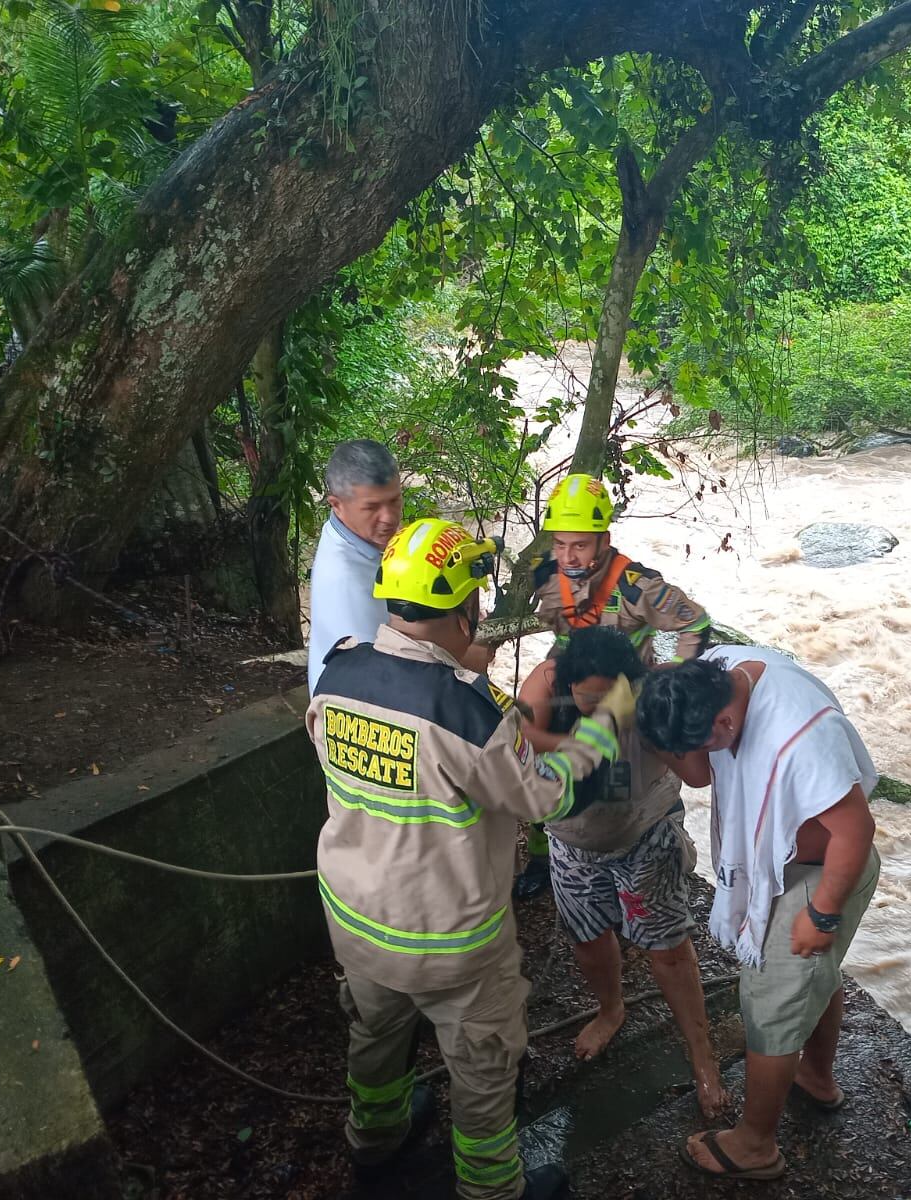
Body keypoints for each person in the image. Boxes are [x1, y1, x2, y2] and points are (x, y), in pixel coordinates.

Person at [307, 517, 637, 1200]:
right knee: (483, 1070)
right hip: (449, 943)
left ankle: (375, 1141)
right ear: (465, 606)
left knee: (374, 1036)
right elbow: (544, 797)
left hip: (357, 923)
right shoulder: (467, 713)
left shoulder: (334, 674)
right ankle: (491, 1188)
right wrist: (606, 724)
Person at [636, 646, 881, 1182]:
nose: (695, 757)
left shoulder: (798, 732)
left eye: (701, 742)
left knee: (770, 1002)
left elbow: (857, 830)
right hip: (785, 860)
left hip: (824, 870)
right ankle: (815, 1077)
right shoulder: (717, 673)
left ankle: (754, 1146)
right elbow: (701, 771)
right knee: (813, 979)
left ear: (724, 722)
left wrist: (821, 913)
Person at [516, 625, 725, 1117]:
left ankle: (703, 1057)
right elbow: (519, 733)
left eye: (608, 695)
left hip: (644, 837)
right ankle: (612, 1010)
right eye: (584, 696)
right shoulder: (546, 684)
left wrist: (676, 720)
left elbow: (698, 774)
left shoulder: (649, 700)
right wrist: (584, 743)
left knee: (668, 950)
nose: (595, 706)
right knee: (589, 941)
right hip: (572, 843)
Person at [515, 472, 712, 899]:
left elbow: (693, 624)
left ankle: (656, 841)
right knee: (541, 761)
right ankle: (543, 857)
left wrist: (661, 675)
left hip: (625, 691)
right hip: (568, 677)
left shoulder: (638, 586)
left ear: (603, 540)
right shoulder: (548, 573)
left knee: (627, 779)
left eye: (580, 544)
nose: (568, 555)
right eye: (561, 543)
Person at [306, 439, 405, 694]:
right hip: (352, 712)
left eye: (394, 501)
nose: (389, 518)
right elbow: (381, 676)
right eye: (372, 507)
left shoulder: (355, 535)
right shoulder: (345, 581)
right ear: (336, 505)